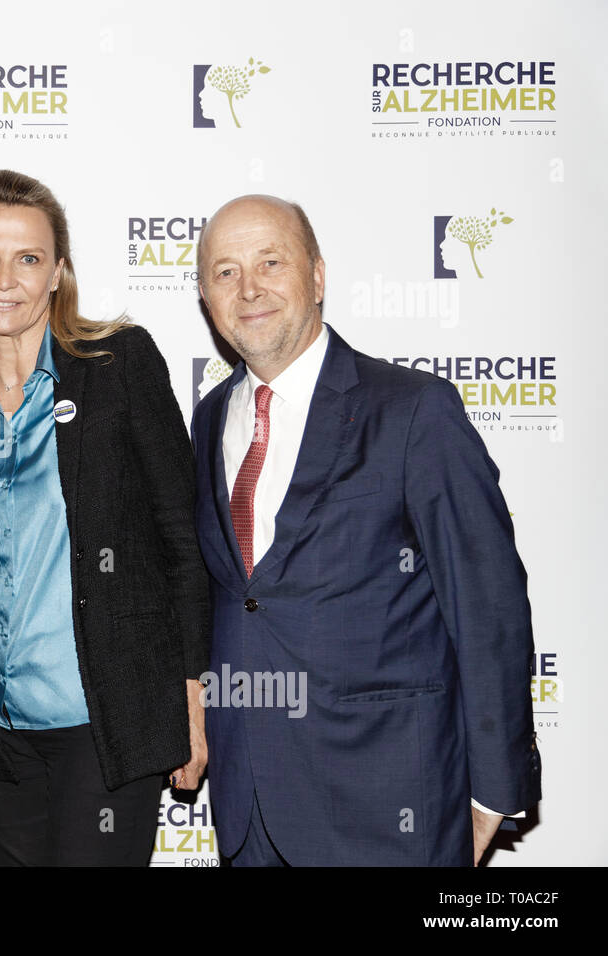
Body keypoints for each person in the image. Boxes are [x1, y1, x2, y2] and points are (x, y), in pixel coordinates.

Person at [191, 194, 541, 866]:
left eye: (271, 262)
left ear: (317, 275)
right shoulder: (209, 420)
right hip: (249, 807)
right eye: (225, 272)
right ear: (206, 297)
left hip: (387, 803)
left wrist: (494, 793)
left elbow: (487, 603)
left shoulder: (412, 411)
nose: (250, 288)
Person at [0, 169, 210, 866]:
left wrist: (192, 700)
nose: (4, 279)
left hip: (105, 725)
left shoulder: (117, 363)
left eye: (28, 258)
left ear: (58, 274)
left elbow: (180, 542)